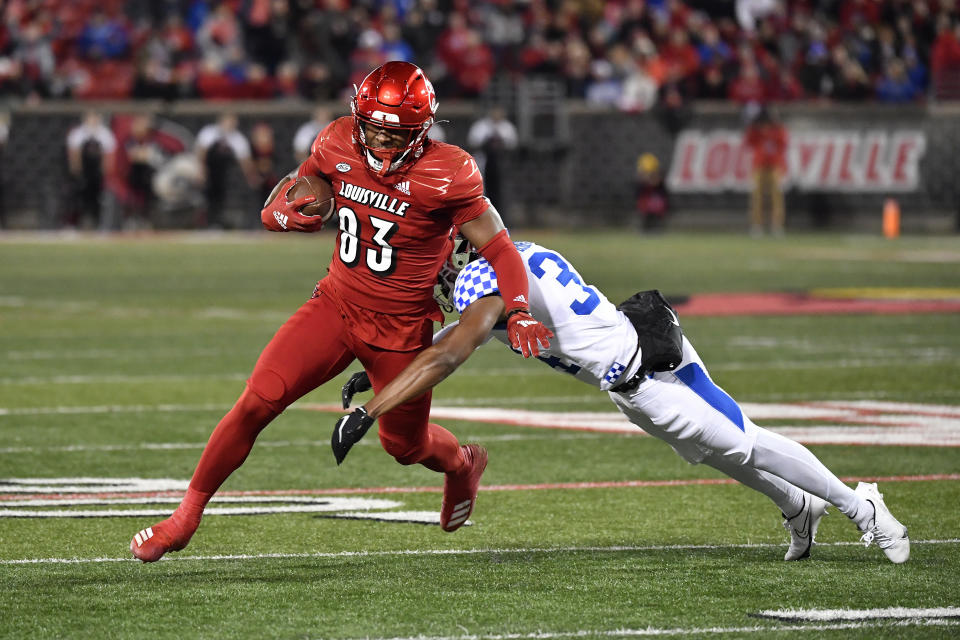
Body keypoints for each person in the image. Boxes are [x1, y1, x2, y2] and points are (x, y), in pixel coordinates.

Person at [129, 61, 553, 562]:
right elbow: (296, 185)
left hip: (401, 329)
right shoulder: (337, 141)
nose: (379, 144)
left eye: (394, 136)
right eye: (371, 129)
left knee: (406, 448)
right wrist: (276, 212)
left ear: (421, 133)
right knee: (256, 401)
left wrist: (520, 309)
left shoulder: (449, 170)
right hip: (335, 307)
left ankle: (462, 464)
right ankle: (183, 519)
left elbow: (502, 249)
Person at [336, 236, 911, 564]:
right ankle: (798, 508)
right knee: (723, 450)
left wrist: (383, 394)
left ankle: (865, 509)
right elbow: (469, 330)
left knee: (746, 443)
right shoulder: (517, 252)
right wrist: (388, 374)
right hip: (654, 333)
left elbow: (457, 346)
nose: (430, 281)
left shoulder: (474, 285)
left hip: (640, 383)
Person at [194, 113, 257, 229]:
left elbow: (245, 161)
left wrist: (251, 177)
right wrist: (201, 170)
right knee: (207, 197)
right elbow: (201, 153)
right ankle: (203, 223)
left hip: (224, 174)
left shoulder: (237, 138)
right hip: (208, 170)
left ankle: (217, 223)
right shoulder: (209, 132)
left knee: (221, 197)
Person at [65, 111, 117, 230]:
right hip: (83, 173)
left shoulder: (105, 134)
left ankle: (100, 225)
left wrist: (105, 176)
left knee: (100, 199)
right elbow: (74, 157)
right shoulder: (77, 133)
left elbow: (109, 158)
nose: (93, 121)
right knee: (76, 197)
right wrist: (77, 174)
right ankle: (72, 224)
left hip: (97, 174)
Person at [466, 105, 518, 219]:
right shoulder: (481, 126)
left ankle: (503, 219)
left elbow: (512, 147)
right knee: (482, 192)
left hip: (501, 165)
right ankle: (482, 219)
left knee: (501, 193)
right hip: (482, 163)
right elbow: (472, 144)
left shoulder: (507, 127)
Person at [743, 106, 788, 236]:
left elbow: (783, 144)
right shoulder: (756, 130)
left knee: (776, 195)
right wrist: (755, 129)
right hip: (759, 165)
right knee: (757, 196)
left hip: (775, 165)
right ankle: (757, 225)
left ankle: (777, 225)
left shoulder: (779, 130)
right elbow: (748, 142)